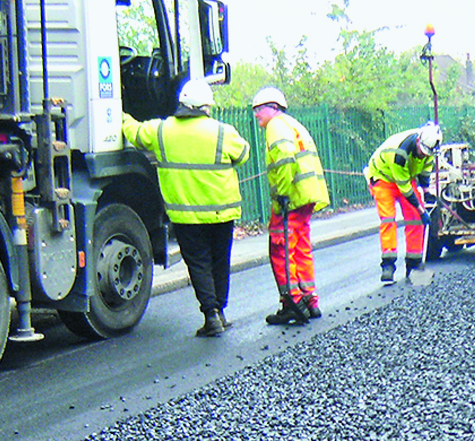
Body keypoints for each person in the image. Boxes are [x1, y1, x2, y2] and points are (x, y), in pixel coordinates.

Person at [121, 77, 249, 337]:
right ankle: (220, 313)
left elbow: (134, 132)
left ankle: (210, 315)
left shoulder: (162, 130)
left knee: (199, 263)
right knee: (219, 260)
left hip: (186, 215)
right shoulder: (223, 131)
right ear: (205, 107)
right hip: (221, 211)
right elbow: (243, 154)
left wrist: (120, 115)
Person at [251, 86, 330, 325]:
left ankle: (293, 302)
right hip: (307, 196)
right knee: (301, 247)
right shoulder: (293, 124)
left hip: (292, 198)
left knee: (281, 248)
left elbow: (285, 156)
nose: (256, 115)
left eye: (258, 109)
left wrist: (282, 195)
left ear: (273, 108)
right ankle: (310, 300)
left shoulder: (276, 126)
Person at [365, 123, 442, 284]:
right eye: (422, 152)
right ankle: (388, 265)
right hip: (382, 177)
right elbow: (405, 189)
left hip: (406, 176)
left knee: (416, 219)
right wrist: (421, 209)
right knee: (388, 219)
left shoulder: (430, 150)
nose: (423, 155)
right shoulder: (400, 152)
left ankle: (413, 266)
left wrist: (427, 192)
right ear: (418, 142)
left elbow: (425, 170)